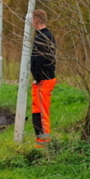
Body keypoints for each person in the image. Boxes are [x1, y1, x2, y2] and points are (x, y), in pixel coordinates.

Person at [30, 9, 57, 147]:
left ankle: (44, 143)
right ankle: (40, 141)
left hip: (43, 81)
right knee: (37, 111)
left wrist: (38, 78)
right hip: (45, 79)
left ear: (36, 20)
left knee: (41, 113)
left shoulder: (41, 38)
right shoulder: (48, 36)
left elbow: (40, 61)